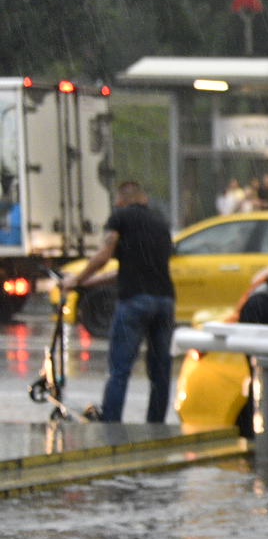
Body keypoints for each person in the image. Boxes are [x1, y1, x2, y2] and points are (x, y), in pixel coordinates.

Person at [62, 180, 175, 423]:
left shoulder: (120, 218)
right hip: (165, 301)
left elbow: (103, 256)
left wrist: (76, 280)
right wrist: (87, 282)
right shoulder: (160, 224)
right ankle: (156, 427)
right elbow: (125, 270)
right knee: (160, 372)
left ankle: (111, 426)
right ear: (143, 198)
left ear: (121, 200)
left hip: (134, 300)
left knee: (119, 370)